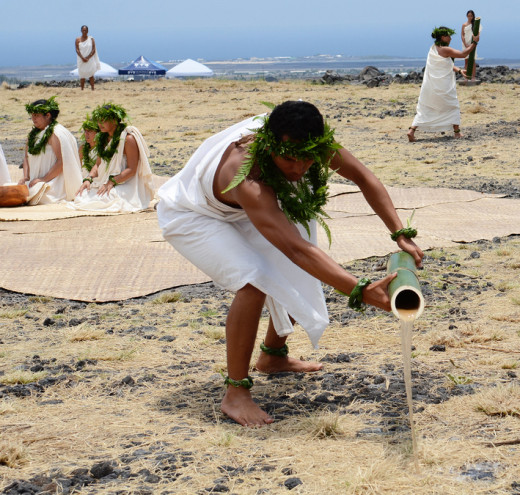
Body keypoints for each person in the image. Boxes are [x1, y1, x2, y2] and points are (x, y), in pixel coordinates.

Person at [157, 101, 424, 427]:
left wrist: (400, 232)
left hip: (245, 209)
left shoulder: (306, 143)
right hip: (192, 215)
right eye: (288, 159)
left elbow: (364, 177)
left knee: (303, 263)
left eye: (307, 159)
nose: (298, 168)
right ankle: (236, 394)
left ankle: (272, 356)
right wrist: (360, 291)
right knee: (253, 281)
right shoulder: (246, 176)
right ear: (271, 144)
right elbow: (295, 249)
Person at [71, 103, 155, 212]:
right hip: (105, 180)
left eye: (103, 120)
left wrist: (111, 182)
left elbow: (132, 169)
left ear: (114, 121)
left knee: (108, 197)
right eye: (98, 120)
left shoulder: (128, 139)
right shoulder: (102, 138)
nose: (99, 123)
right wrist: (88, 178)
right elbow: (98, 164)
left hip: (126, 182)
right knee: (82, 196)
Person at [407, 26, 479, 142]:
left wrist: (459, 70)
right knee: (452, 105)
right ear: (442, 37)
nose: (450, 38)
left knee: (426, 108)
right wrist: (475, 42)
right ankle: (457, 133)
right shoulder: (445, 49)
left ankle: (411, 130)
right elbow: (463, 54)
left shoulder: (434, 48)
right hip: (443, 86)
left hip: (431, 85)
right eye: (448, 36)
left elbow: (446, 64)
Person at [18, 97, 82, 205]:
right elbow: (26, 157)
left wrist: (43, 179)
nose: (33, 119)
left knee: (37, 197)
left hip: (53, 181)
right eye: (32, 115)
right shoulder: (33, 134)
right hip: (34, 180)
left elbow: (62, 161)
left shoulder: (55, 133)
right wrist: (26, 177)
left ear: (48, 115)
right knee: (19, 192)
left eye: (37, 115)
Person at [75, 25, 101, 91]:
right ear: (81, 31)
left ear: (87, 31)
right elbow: (77, 50)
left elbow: (93, 49)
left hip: (89, 59)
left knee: (91, 74)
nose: (84, 31)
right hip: (81, 60)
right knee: (82, 75)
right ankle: (82, 89)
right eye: (83, 30)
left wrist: (88, 57)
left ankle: (92, 88)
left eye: (85, 30)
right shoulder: (77, 39)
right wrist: (82, 58)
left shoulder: (91, 39)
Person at [461, 10, 481, 80]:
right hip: (465, 44)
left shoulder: (475, 25)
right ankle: (466, 77)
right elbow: (462, 35)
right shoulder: (464, 25)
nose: (470, 17)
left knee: (472, 60)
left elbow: (478, 35)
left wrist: (475, 42)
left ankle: (473, 77)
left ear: (473, 16)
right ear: (467, 16)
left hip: (472, 44)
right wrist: (465, 44)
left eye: (471, 16)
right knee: (466, 60)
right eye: (468, 16)